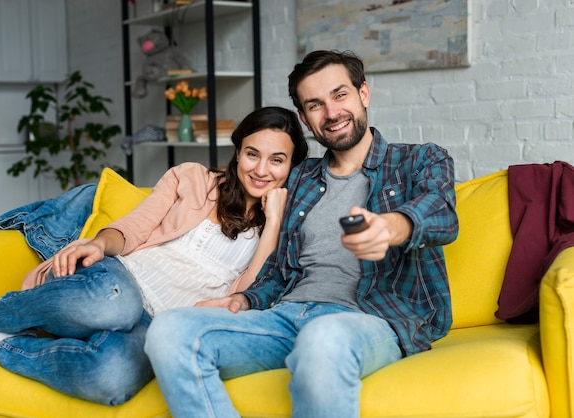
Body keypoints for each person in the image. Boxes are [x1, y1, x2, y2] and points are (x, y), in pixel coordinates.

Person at [143, 50, 459, 418]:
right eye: (315, 105)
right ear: (305, 119)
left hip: (369, 318)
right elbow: (278, 269)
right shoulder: (299, 179)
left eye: (340, 95)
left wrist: (392, 226)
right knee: (169, 331)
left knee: (321, 338)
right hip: (286, 315)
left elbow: (441, 213)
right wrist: (246, 300)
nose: (332, 113)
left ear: (364, 94)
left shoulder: (419, 161)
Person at [0, 106, 309, 406]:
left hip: (159, 323)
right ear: (237, 151)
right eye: (252, 153)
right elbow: (137, 225)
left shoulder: (283, 229)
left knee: (112, 379)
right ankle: (0, 312)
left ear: (293, 167)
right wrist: (100, 244)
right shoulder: (193, 178)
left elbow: (242, 295)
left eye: (277, 160)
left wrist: (273, 220)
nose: (261, 170)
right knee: (115, 306)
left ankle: (0, 345)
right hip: (118, 282)